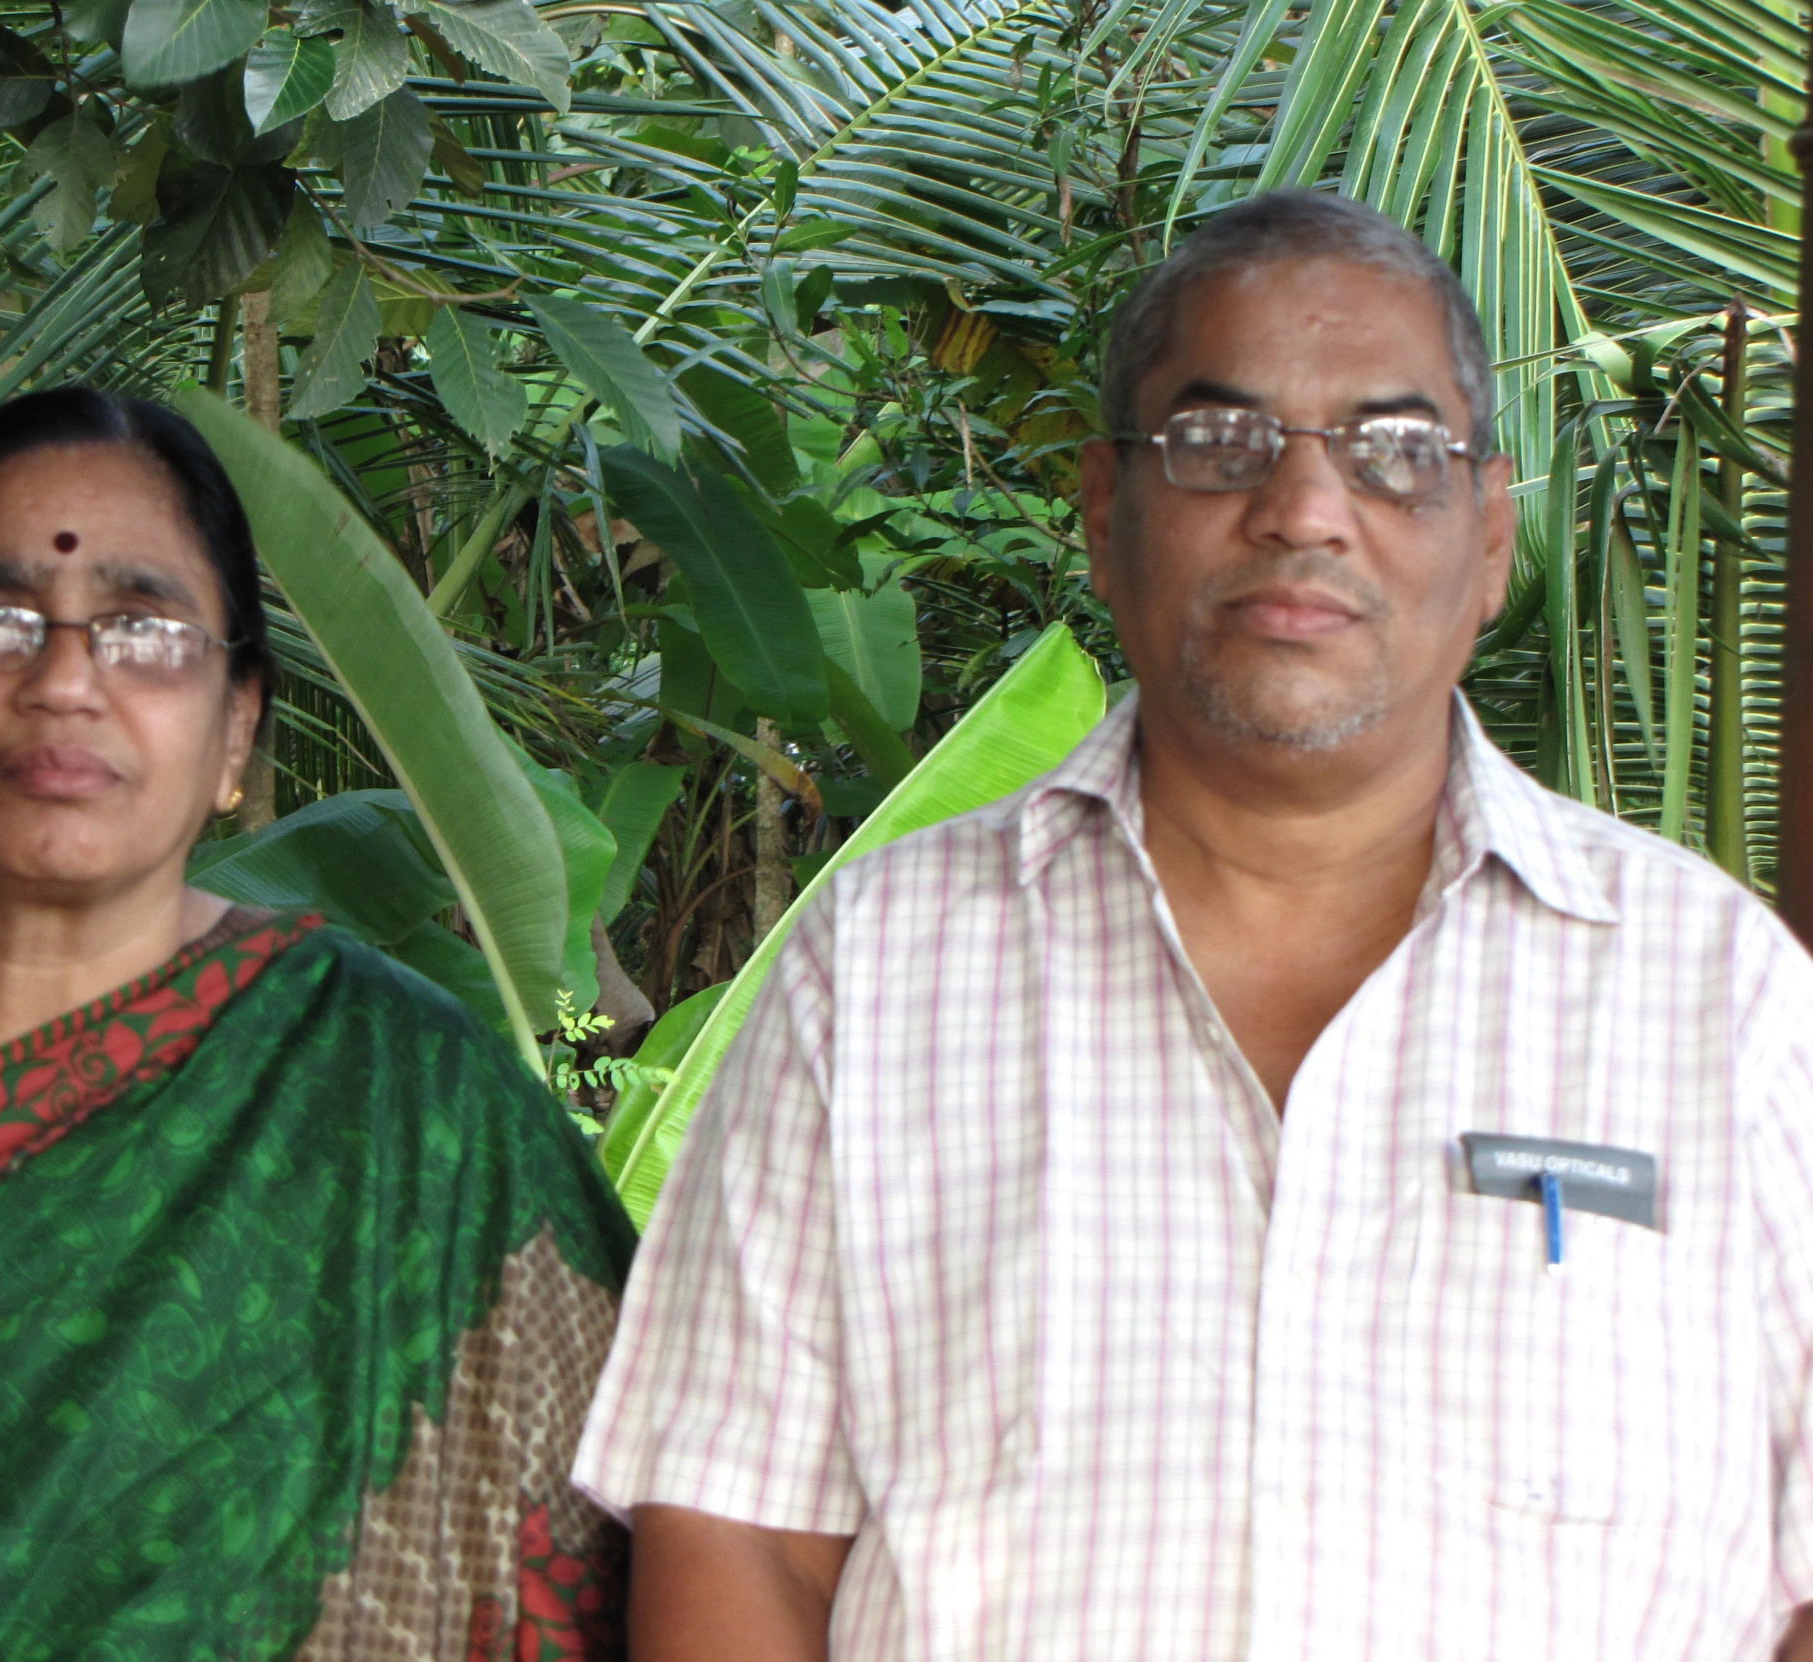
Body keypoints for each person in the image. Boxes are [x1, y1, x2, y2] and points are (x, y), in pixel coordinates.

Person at [572, 189, 1813, 1661]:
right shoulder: (885, 969)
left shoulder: (1719, 996)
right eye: (1219, 443)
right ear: (1107, 516)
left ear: (1489, 542)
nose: (1303, 508)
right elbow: (740, 1538)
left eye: (1395, 452)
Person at [0, 387, 633, 1660]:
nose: (66, 680)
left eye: (144, 628)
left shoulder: (409, 1099)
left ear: (236, 728)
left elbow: (634, 1534)